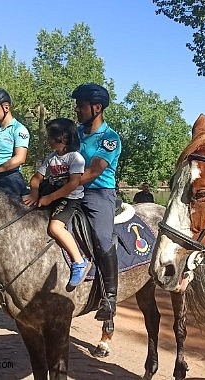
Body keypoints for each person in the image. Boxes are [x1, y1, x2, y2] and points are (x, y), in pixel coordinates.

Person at [71, 83, 122, 321]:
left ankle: (109, 298)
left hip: (98, 193)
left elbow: (92, 172)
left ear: (97, 107)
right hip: (72, 190)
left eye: (81, 106)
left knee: (102, 239)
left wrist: (65, 185)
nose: (77, 110)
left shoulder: (110, 139)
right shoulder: (77, 134)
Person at [23, 118, 91, 287]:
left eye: (51, 136)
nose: (48, 140)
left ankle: (79, 262)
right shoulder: (51, 158)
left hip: (69, 198)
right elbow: (36, 178)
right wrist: (34, 194)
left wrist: (49, 198)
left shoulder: (75, 158)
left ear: (64, 138)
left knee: (55, 227)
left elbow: (73, 184)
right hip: (52, 195)